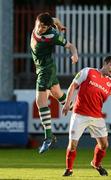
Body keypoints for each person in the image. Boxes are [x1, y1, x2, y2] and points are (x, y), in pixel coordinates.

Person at [30, 12, 78, 154]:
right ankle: (81, 110)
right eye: (39, 26)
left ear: (48, 27)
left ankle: (48, 137)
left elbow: (71, 46)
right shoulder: (40, 22)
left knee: (40, 102)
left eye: (44, 28)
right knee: (59, 95)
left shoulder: (52, 36)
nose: (40, 29)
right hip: (42, 69)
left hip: (46, 69)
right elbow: (54, 19)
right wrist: (60, 25)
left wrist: (74, 54)